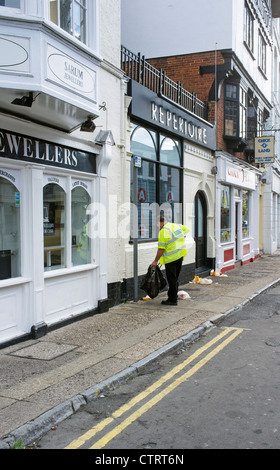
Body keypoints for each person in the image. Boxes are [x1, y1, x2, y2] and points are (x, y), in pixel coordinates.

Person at [151, 215, 189, 306]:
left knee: (172, 279)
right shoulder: (176, 226)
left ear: (158, 223)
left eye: (157, 224)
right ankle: (173, 297)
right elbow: (186, 229)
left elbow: (161, 248)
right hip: (180, 256)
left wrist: (155, 261)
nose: (157, 226)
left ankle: (172, 300)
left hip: (171, 259)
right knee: (175, 278)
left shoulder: (163, 231)